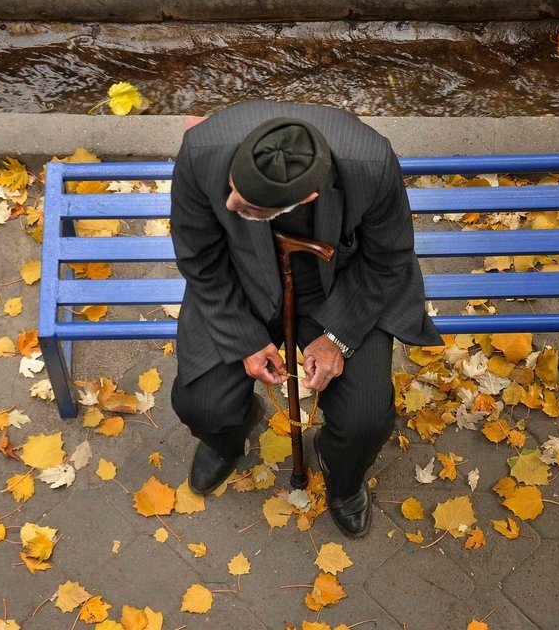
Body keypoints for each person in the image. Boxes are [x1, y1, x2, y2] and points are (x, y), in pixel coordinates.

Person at [169, 100, 442, 538]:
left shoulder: (370, 161)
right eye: (235, 189)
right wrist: (242, 338)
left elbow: (388, 258)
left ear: (307, 197)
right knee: (200, 404)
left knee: (366, 420)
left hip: (340, 286)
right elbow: (198, 256)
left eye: (249, 209)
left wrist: (337, 337)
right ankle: (228, 433)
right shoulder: (202, 149)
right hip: (242, 282)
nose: (232, 202)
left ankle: (341, 469)